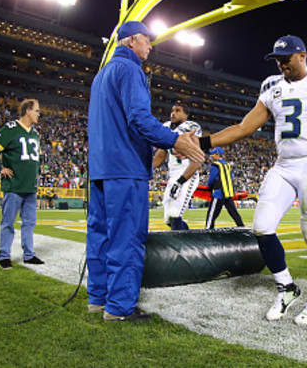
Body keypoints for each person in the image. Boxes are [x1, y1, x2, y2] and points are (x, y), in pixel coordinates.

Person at [199, 34, 307, 326]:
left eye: (287, 58)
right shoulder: (271, 86)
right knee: (262, 227)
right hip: (283, 165)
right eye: (278, 59)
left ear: (303, 55)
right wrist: (203, 142)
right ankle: (287, 287)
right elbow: (244, 128)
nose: (282, 64)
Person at [87, 21, 205, 323]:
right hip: (125, 168)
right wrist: (175, 139)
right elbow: (139, 119)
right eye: (146, 40)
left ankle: (97, 300)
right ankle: (119, 308)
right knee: (126, 238)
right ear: (129, 41)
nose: (150, 46)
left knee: (100, 235)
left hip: (100, 168)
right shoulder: (130, 70)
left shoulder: (101, 75)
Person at [0, 98, 44, 270]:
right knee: (8, 222)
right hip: (14, 185)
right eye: (36, 110)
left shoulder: (35, 134)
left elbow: (35, 159)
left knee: (29, 223)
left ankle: (28, 254)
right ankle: (4, 255)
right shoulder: (11, 129)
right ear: (27, 111)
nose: (38, 114)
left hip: (30, 186)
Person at [153, 102, 203, 230]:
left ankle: (180, 248)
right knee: (169, 219)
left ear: (186, 116)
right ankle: (190, 240)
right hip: (173, 175)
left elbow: (197, 161)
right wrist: (142, 170)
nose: (173, 113)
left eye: (177, 110)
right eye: (172, 110)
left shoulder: (190, 128)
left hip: (187, 174)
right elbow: (160, 156)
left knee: (175, 215)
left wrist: (181, 181)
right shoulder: (167, 128)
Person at [204, 147, 245, 229]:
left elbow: (211, 179)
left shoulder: (216, 165)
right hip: (228, 192)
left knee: (212, 214)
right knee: (234, 213)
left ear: (217, 155)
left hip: (218, 193)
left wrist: (209, 187)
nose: (211, 156)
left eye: (213, 154)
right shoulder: (228, 165)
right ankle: (242, 228)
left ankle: (208, 230)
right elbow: (232, 179)